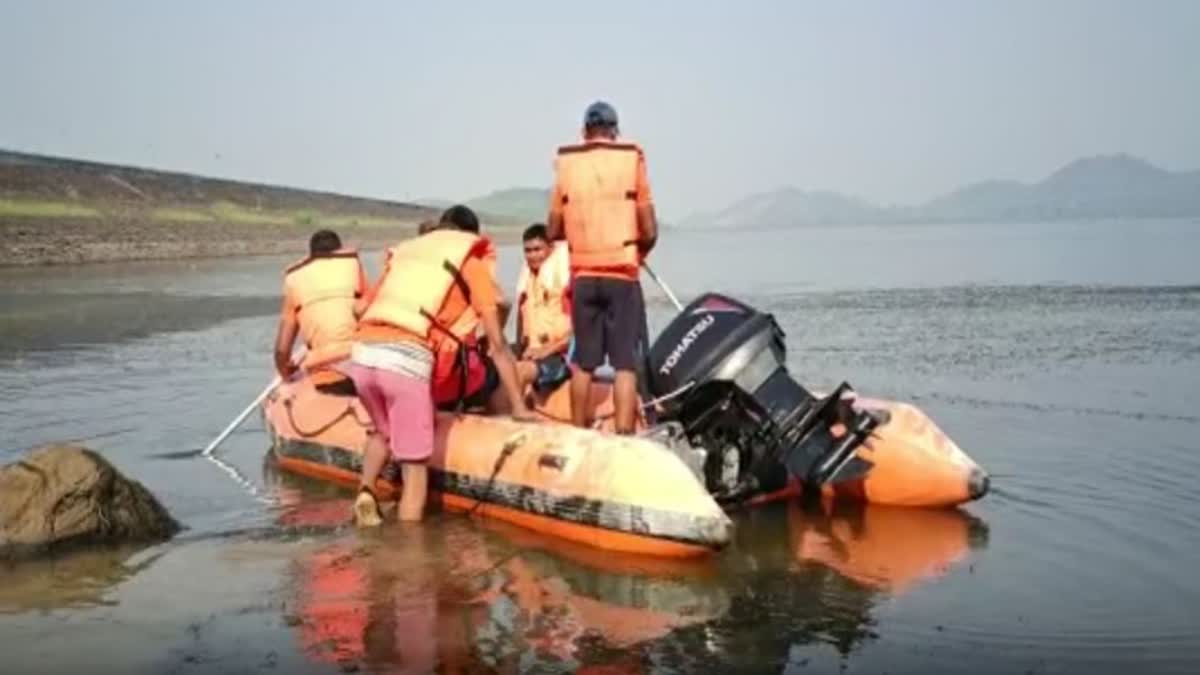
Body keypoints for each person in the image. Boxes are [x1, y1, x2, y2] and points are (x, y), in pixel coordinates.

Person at [348, 205, 533, 526]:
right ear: (469, 236)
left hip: (364, 356)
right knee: (415, 469)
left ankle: (366, 489)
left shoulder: (408, 257)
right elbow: (498, 345)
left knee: (382, 431)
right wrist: (519, 406)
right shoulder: (469, 262)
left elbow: (360, 307)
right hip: (406, 361)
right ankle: (411, 554)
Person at [546, 101, 658, 434]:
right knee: (625, 364)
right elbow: (649, 228)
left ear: (584, 132)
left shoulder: (567, 166)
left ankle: (579, 432)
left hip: (583, 274)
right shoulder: (630, 159)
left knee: (583, 364)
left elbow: (552, 229)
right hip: (622, 275)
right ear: (615, 131)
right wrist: (638, 253)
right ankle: (624, 435)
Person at [273, 229, 366, 394]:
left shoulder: (295, 280)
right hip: (363, 361)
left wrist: (286, 374)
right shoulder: (353, 266)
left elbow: (281, 351)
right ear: (340, 250)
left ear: (311, 254)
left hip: (326, 371)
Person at [514, 223, 573, 396]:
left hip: (560, 355)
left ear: (551, 247)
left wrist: (547, 350)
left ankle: (516, 414)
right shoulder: (528, 280)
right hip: (533, 351)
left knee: (521, 371)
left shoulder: (564, 282)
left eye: (537, 249)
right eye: (528, 250)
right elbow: (521, 322)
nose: (532, 256)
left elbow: (580, 332)